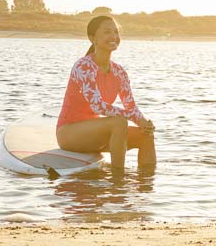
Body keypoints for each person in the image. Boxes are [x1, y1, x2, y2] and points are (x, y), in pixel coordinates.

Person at [56, 15, 156, 171]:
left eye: (116, 32)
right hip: (69, 134)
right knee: (119, 122)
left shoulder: (119, 72)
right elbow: (98, 107)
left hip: (95, 134)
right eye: (107, 32)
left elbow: (130, 106)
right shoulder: (84, 66)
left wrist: (143, 122)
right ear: (92, 38)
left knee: (145, 135)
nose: (114, 36)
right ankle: (118, 180)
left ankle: (147, 182)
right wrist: (128, 116)